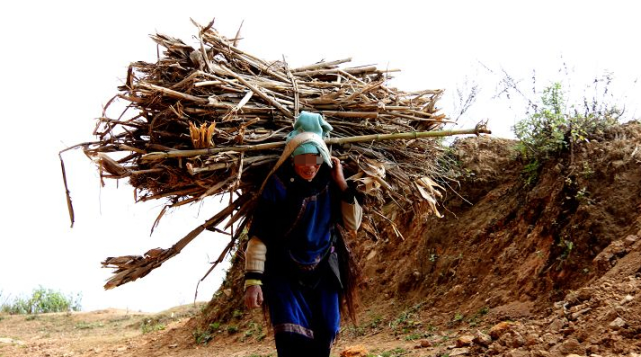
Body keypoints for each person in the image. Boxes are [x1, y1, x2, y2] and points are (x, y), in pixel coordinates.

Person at [243, 111, 363, 357]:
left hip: (324, 269)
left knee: (327, 329)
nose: (309, 167)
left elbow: (353, 223)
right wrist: (253, 282)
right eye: (303, 160)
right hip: (284, 271)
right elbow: (259, 236)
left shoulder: (329, 185)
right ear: (291, 158)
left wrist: (341, 184)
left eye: (315, 160)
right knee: (291, 337)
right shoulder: (277, 187)